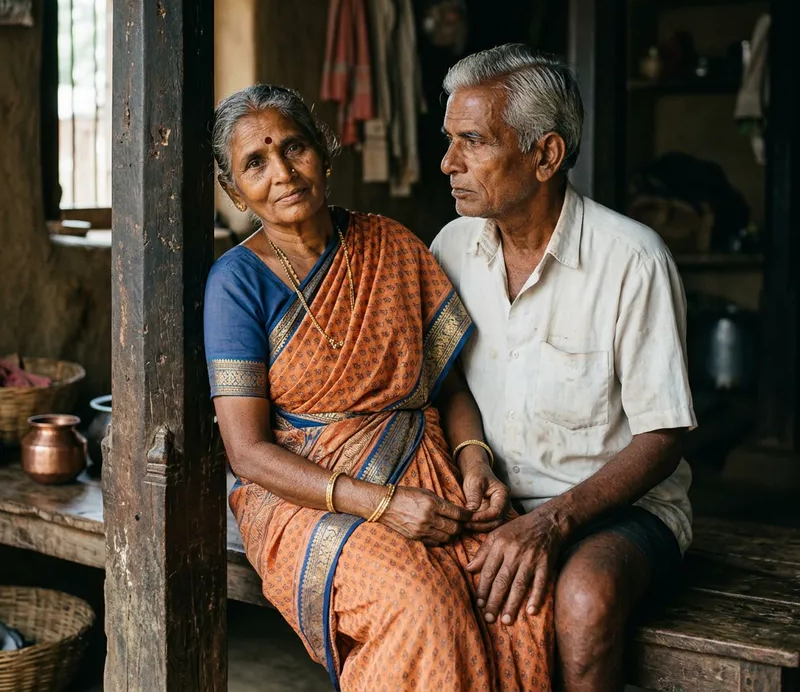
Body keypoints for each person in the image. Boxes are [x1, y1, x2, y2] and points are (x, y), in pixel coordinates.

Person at [204, 84, 554, 691]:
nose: (283, 173)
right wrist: (383, 505)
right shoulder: (235, 283)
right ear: (234, 190)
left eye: (295, 148)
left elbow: (447, 390)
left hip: (428, 470)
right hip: (305, 495)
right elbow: (247, 454)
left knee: (518, 598)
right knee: (422, 607)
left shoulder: (388, 243)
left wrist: (475, 463)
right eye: (255, 164)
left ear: (326, 152)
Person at [430, 44, 695, 692]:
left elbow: (663, 437)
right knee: (411, 585)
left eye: (473, 142)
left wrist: (552, 522)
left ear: (546, 155)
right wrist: (474, 464)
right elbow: (446, 381)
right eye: (449, 140)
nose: (448, 164)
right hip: (489, 496)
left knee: (584, 599)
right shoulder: (450, 247)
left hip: (616, 508)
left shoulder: (632, 260)